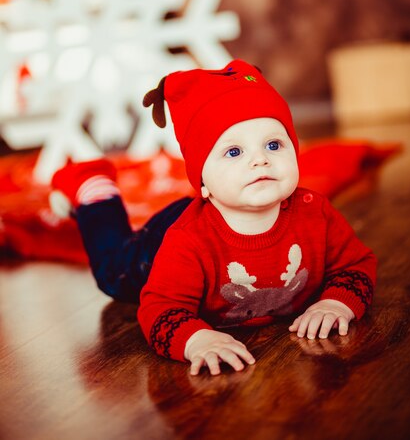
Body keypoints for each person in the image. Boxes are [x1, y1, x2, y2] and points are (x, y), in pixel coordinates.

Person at [51, 59, 377, 376]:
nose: (260, 160)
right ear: (202, 180)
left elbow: (356, 264)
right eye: (234, 152)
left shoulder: (314, 212)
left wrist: (337, 303)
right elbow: (159, 308)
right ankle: (94, 187)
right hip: (164, 244)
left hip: (215, 208)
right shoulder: (188, 241)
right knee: (115, 275)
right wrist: (195, 339)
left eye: (274, 144)